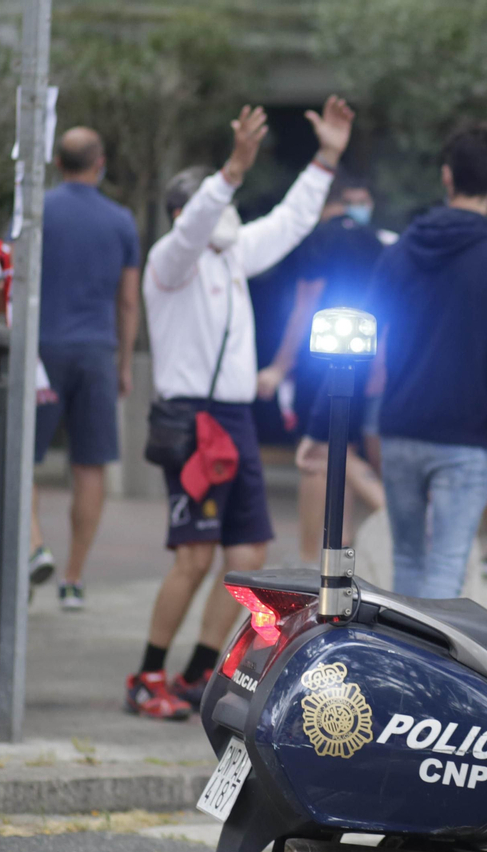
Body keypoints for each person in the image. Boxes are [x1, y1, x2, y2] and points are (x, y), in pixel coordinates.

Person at [133, 98, 353, 720]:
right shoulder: (169, 262)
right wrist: (231, 171)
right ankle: (147, 674)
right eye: (216, 204)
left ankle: (197, 672)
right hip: (191, 419)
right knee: (194, 556)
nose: (228, 215)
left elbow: (289, 222)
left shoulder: (232, 256)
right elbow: (195, 227)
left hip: (233, 419)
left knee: (248, 555)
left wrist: (326, 159)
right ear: (187, 213)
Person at [373, 122, 487, 600]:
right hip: (465, 434)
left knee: (406, 559)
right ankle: (432, 652)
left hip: (399, 424)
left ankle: (402, 646)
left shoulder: (400, 252)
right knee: (447, 565)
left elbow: (363, 333)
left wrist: (327, 423)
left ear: (446, 175)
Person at [26, 127, 142, 612]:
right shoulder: (121, 221)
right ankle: (72, 580)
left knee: (23, 458)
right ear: (100, 163)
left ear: (57, 162)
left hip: (41, 350)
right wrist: (124, 362)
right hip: (97, 351)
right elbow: (128, 301)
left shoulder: (36, 211)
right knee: (90, 465)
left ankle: (34, 546)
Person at [255, 171, 387, 561]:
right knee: (343, 446)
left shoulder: (319, 238)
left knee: (315, 455)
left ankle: (313, 556)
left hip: (323, 358)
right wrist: (379, 365)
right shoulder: (374, 240)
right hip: (363, 353)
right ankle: (340, 547)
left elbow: (305, 307)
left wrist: (280, 366)